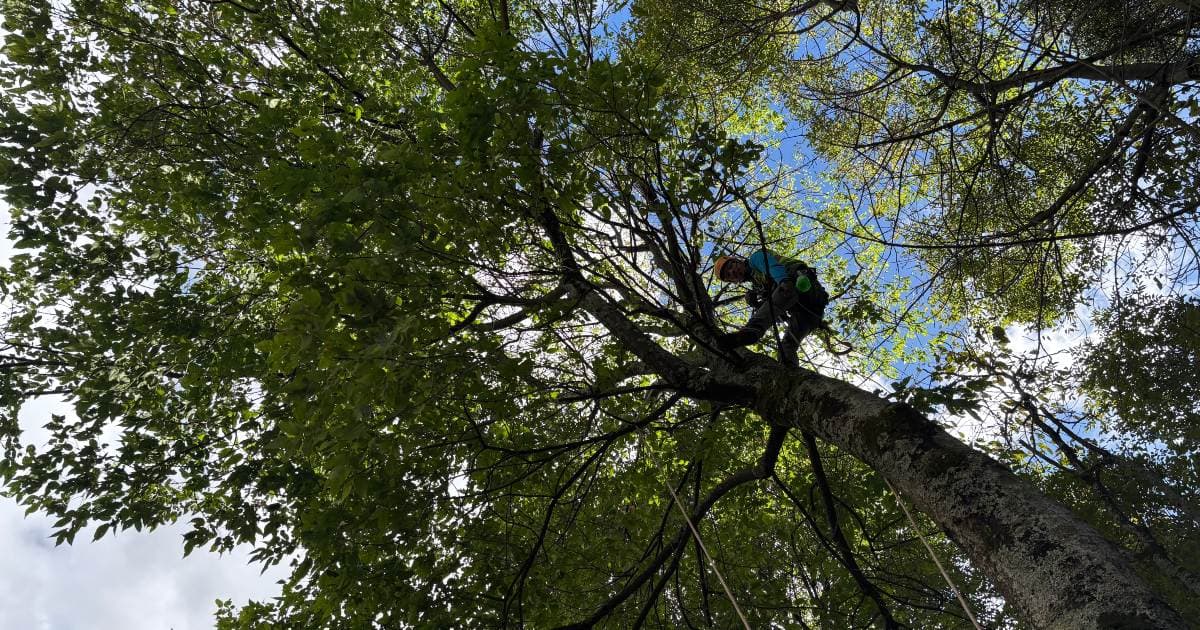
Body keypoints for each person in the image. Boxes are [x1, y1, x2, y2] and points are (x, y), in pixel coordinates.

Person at [713, 249, 829, 366]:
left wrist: (784, 281)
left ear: (737, 260)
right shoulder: (759, 285)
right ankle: (789, 369)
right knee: (787, 345)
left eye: (731, 266)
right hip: (809, 314)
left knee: (784, 291)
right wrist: (756, 304)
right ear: (733, 281)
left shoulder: (755, 259)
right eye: (729, 275)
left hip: (800, 284)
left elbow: (772, 266)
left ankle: (751, 330)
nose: (732, 271)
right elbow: (778, 315)